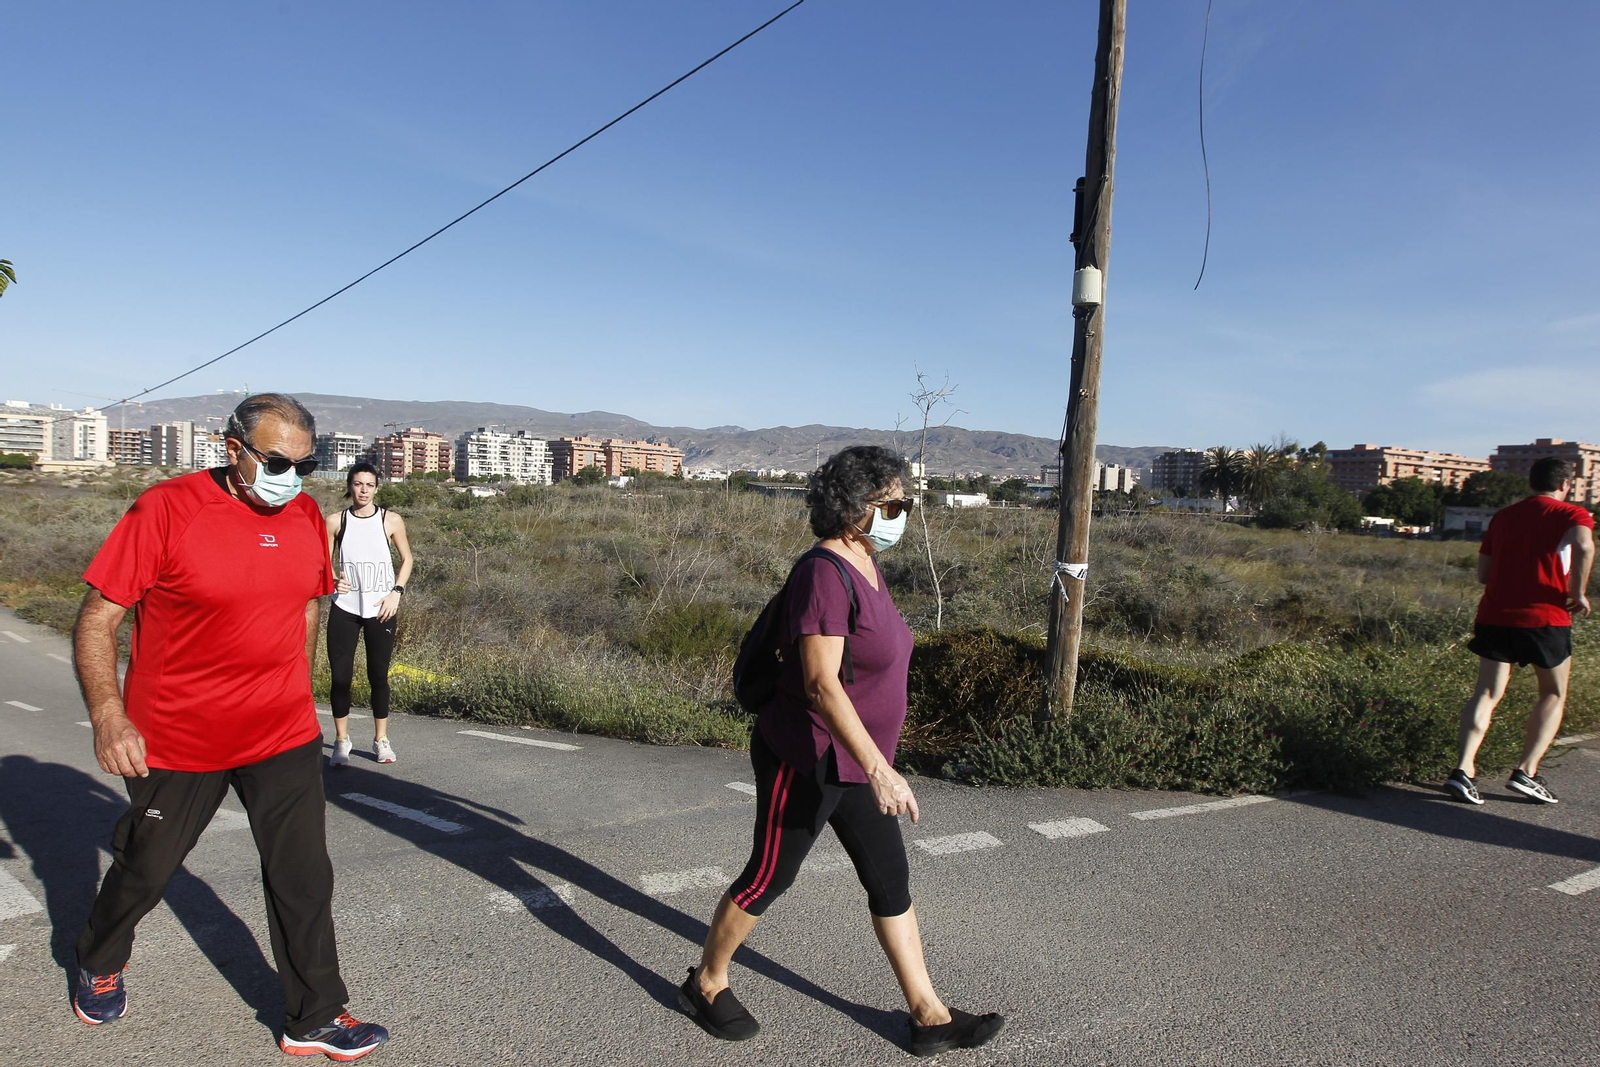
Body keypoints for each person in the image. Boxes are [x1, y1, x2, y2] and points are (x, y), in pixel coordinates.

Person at [70, 393, 389, 1061]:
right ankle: (99, 957)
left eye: (306, 465)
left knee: (304, 875)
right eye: (277, 462)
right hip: (178, 737)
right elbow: (99, 617)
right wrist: (108, 715)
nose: (291, 478)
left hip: (280, 731)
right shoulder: (167, 509)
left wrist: (297, 691)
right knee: (148, 867)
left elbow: (305, 606)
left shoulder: (304, 515)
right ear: (232, 448)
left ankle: (315, 1015)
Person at [679, 445, 1003, 1057]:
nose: (902, 513)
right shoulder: (823, 573)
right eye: (892, 504)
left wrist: (876, 761)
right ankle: (706, 983)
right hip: (809, 754)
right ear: (854, 507)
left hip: (859, 758)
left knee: (889, 879)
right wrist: (882, 769)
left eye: (906, 503)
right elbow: (821, 684)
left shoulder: (867, 562)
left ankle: (928, 1014)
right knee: (770, 876)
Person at [1446, 457, 1595, 806]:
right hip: (1546, 618)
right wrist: (1577, 592)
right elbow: (1585, 545)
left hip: (1496, 614)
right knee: (1553, 693)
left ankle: (1463, 771)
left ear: (1531, 482)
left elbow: (1483, 574)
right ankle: (1526, 772)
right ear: (1565, 484)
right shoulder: (1572, 514)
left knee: (1487, 692)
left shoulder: (1503, 516)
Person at [325, 461, 413, 768]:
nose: (363, 490)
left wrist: (396, 593)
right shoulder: (336, 521)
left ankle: (381, 740)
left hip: (381, 609)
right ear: (349, 486)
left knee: (378, 676)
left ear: (377, 488)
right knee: (340, 678)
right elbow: (321, 561)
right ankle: (341, 740)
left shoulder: (391, 520)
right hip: (345, 608)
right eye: (358, 484)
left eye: (369, 485)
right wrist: (332, 578)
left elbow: (407, 559)